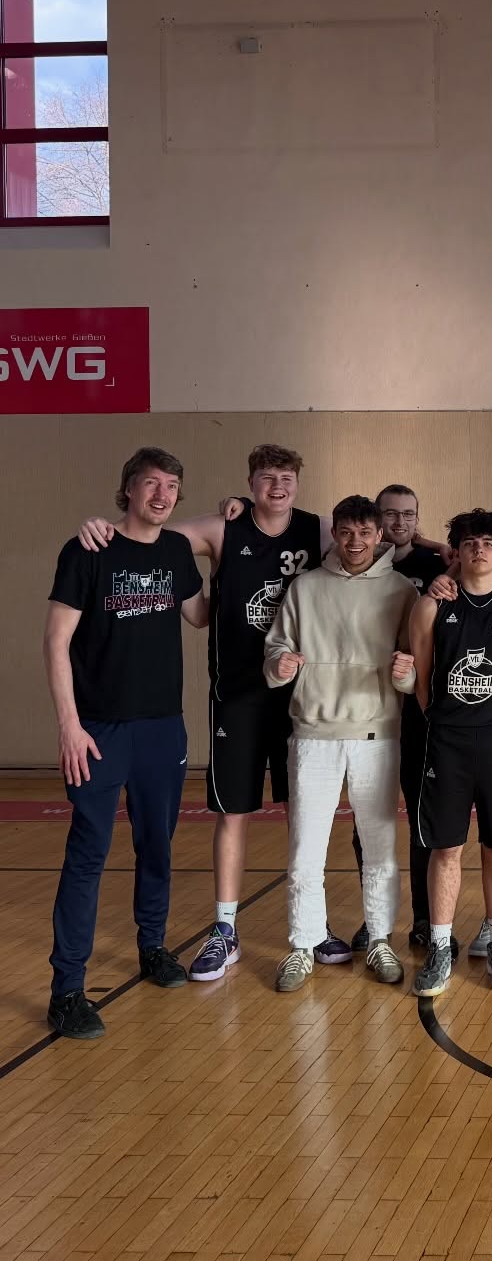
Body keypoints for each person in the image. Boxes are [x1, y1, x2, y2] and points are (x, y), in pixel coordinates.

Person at [75, 444, 322, 982]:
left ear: (298, 483)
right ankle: (226, 929)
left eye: (286, 477)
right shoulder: (220, 528)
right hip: (237, 693)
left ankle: (310, 926)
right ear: (250, 483)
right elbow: (148, 534)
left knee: (304, 812)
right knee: (233, 812)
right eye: (266, 477)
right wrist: (98, 527)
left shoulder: (318, 530)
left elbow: (373, 542)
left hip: (301, 693)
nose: (277, 486)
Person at [44, 448, 207, 1039]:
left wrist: (237, 541)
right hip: (99, 730)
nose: (162, 495)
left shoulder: (176, 551)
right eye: (151, 484)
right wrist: (69, 724)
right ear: (129, 489)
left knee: (156, 846)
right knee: (88, 853)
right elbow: (56, 641)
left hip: (162, 728)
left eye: (172, 485)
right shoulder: (87, 549)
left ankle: (152, 947)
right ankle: (67, 990)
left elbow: (201, 615)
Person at [267, 496, 418, 993]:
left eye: (365, 533)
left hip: (378, 736)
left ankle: (379, 939)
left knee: (379, 848)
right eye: (347, 532)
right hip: (314, 735)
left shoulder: (401, 590)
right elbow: (277, 648)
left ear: (380, 536)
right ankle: (302, 944)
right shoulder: (305, 587)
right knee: (305, 849)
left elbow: (415, 667)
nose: (356, 542)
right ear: (334, 533)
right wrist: (280, 666)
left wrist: (406, 674)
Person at [409, 509, 492, 996]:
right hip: (448, 739)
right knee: (446, 846)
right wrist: (449, 717)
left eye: (488, 542)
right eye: (469, 543)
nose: (478, 550)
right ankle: (440, 945)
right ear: (458, 552)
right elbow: (423, 683)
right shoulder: (430, 606)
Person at [349, 483, 449, 957]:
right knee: (368, 822)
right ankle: (375, 921)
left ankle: (425, 919)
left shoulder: (437, 567)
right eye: (390, 514)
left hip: (419, 712)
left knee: (422, 819)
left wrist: (434, 546)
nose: (399, 522)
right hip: (368, 708)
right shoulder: (358, 562)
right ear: (376, 520)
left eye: (408, 514)